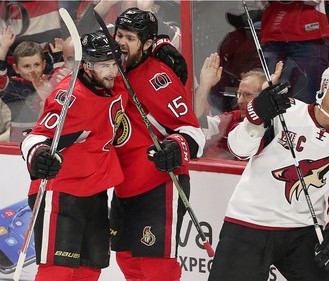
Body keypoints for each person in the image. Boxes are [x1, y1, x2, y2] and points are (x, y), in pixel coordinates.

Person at [208, 60, 329, 281]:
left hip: (302, 231)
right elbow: (240, 150)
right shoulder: (286, 110)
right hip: (250, 222)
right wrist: (257, 118)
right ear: (324, 87)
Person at [20, 30, 128, 281]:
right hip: (60, 192)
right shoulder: (70, 95)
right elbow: (36, 137)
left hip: (96, 191)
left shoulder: (115, 83)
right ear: (87, 66)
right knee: (58, 271)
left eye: (114, 64)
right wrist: (39, 155)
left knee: (89, 270)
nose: (112, 71)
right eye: (104, 65)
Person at [109, 7, 205, 281]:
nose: (120, 43)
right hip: (124, 185)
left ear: (147, 44)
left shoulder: (158, 78)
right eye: (119, 35)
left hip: (159, 185)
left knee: (156, 267)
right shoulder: (111, 72)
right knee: (126, 260)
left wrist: (175, 146)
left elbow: (192, 131)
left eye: (129, 37)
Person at [195, 52, 282, 160]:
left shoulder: (281, 125)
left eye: (248, 95)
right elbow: (198, 126)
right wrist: (205, 85)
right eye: (239, 94)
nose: (240, 101)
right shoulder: (231, 119)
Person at [0, 25, 61, 142]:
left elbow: (63, 82)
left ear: (44, 64)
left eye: (36, 65)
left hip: (47, 141)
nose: (32, 70)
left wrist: (59, 57)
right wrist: (3, 48)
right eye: (26, 66)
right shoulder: (14, 86)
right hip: (18, 145)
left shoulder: (49, 82)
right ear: (16, 68)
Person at [260, 0, 329, 104]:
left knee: (305, 99)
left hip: (308, 36)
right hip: (273, 34)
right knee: (266, 96)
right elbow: (255, 4)